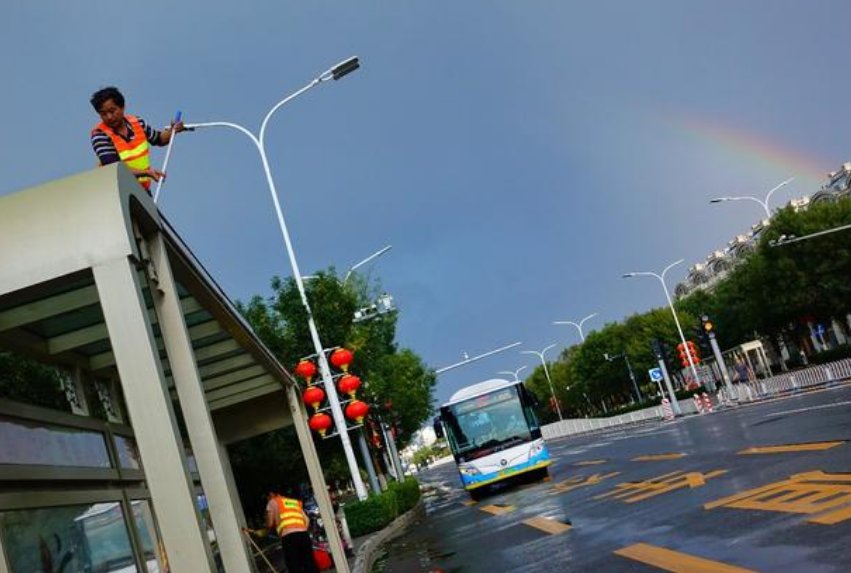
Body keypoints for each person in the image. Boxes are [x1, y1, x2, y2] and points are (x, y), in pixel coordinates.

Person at [89, 86, 185, 193]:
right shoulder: (100, 135)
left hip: (142, 191)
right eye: (103, 114)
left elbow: (159, 139)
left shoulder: (137, 122)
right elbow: (116, 170)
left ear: (122, 107)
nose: (109, 117)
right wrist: (147, 173)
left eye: (112, 111)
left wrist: (173, 130)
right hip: (116, 193)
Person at [265, 487, 318, 573]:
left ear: (271, 494)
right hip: (303, 535)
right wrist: (301, 529)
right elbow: (307, 520)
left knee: (294, 565)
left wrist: (265, 528)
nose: (267, 499)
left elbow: (270, 523)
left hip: (289, 538)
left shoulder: (272, 502)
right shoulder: (293, 502)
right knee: (310, 563)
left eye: (267, 497)